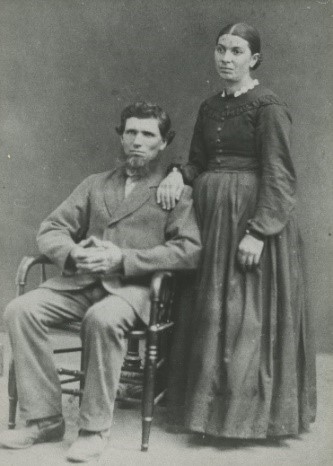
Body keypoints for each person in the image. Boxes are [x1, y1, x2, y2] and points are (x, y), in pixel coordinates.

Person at [0, 102, 201, 462]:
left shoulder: (175, 193)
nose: (137, 141)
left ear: (163, 143)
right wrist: (75, 254)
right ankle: (44, 418)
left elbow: (188, 251)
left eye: (147, 135)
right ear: (121, 137)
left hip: (133, 291)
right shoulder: (95, 184)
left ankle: (93, 430)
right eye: (131, 133)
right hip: (80, 283)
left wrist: (123, 260)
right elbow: (52, 228)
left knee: (102, 318)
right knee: (20, 310)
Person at [157, 23, 316, 439]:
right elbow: (198, 162)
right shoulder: (209, 107)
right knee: (212, 316)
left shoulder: (268, 107)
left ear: (254, 59)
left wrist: (259, 232)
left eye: (237, 51)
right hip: (212, 224)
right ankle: (205, 416)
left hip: (251, 222)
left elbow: (280, 177)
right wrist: (177, 174)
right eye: (221, 50)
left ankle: (244, 421)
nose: (226, 58)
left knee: (245, 316)